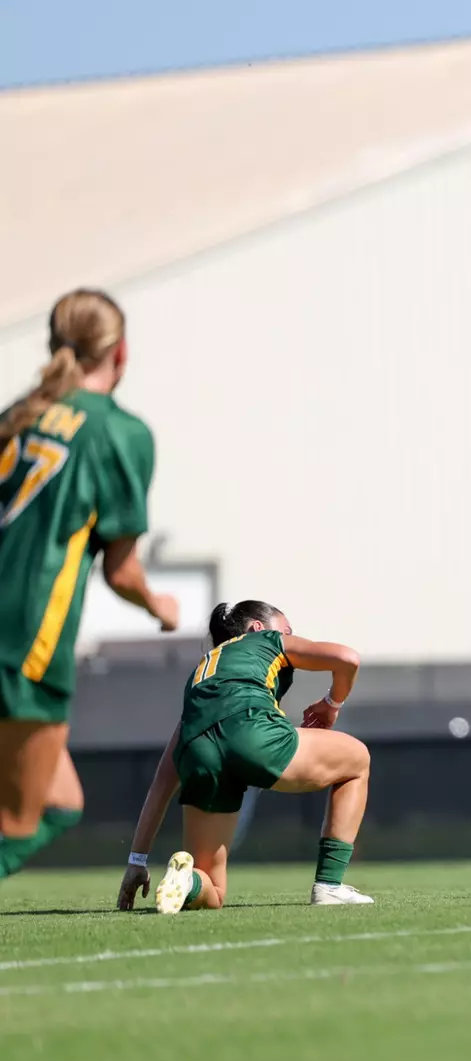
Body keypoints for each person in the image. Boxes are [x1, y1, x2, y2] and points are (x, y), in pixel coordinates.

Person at [0, 289, 178, 885]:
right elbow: (122, 570)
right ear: (121, 352)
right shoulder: (118, 433)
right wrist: (160, 604)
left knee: (61, 802)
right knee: (20, 822)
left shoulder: (18, 416)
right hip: (25, 641)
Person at [117, 600, 374, 911]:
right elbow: (347, 659)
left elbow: (163, 781)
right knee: (357, 759)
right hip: (250, 732)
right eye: (288, 630)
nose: (293, 637)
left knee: (213, 890)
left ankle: (188, 881)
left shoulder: (206, 673)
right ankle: (329, 886)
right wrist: (332, 703)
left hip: (197, 752)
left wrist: (137, 860)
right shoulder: (265, 640)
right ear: (257, 628)